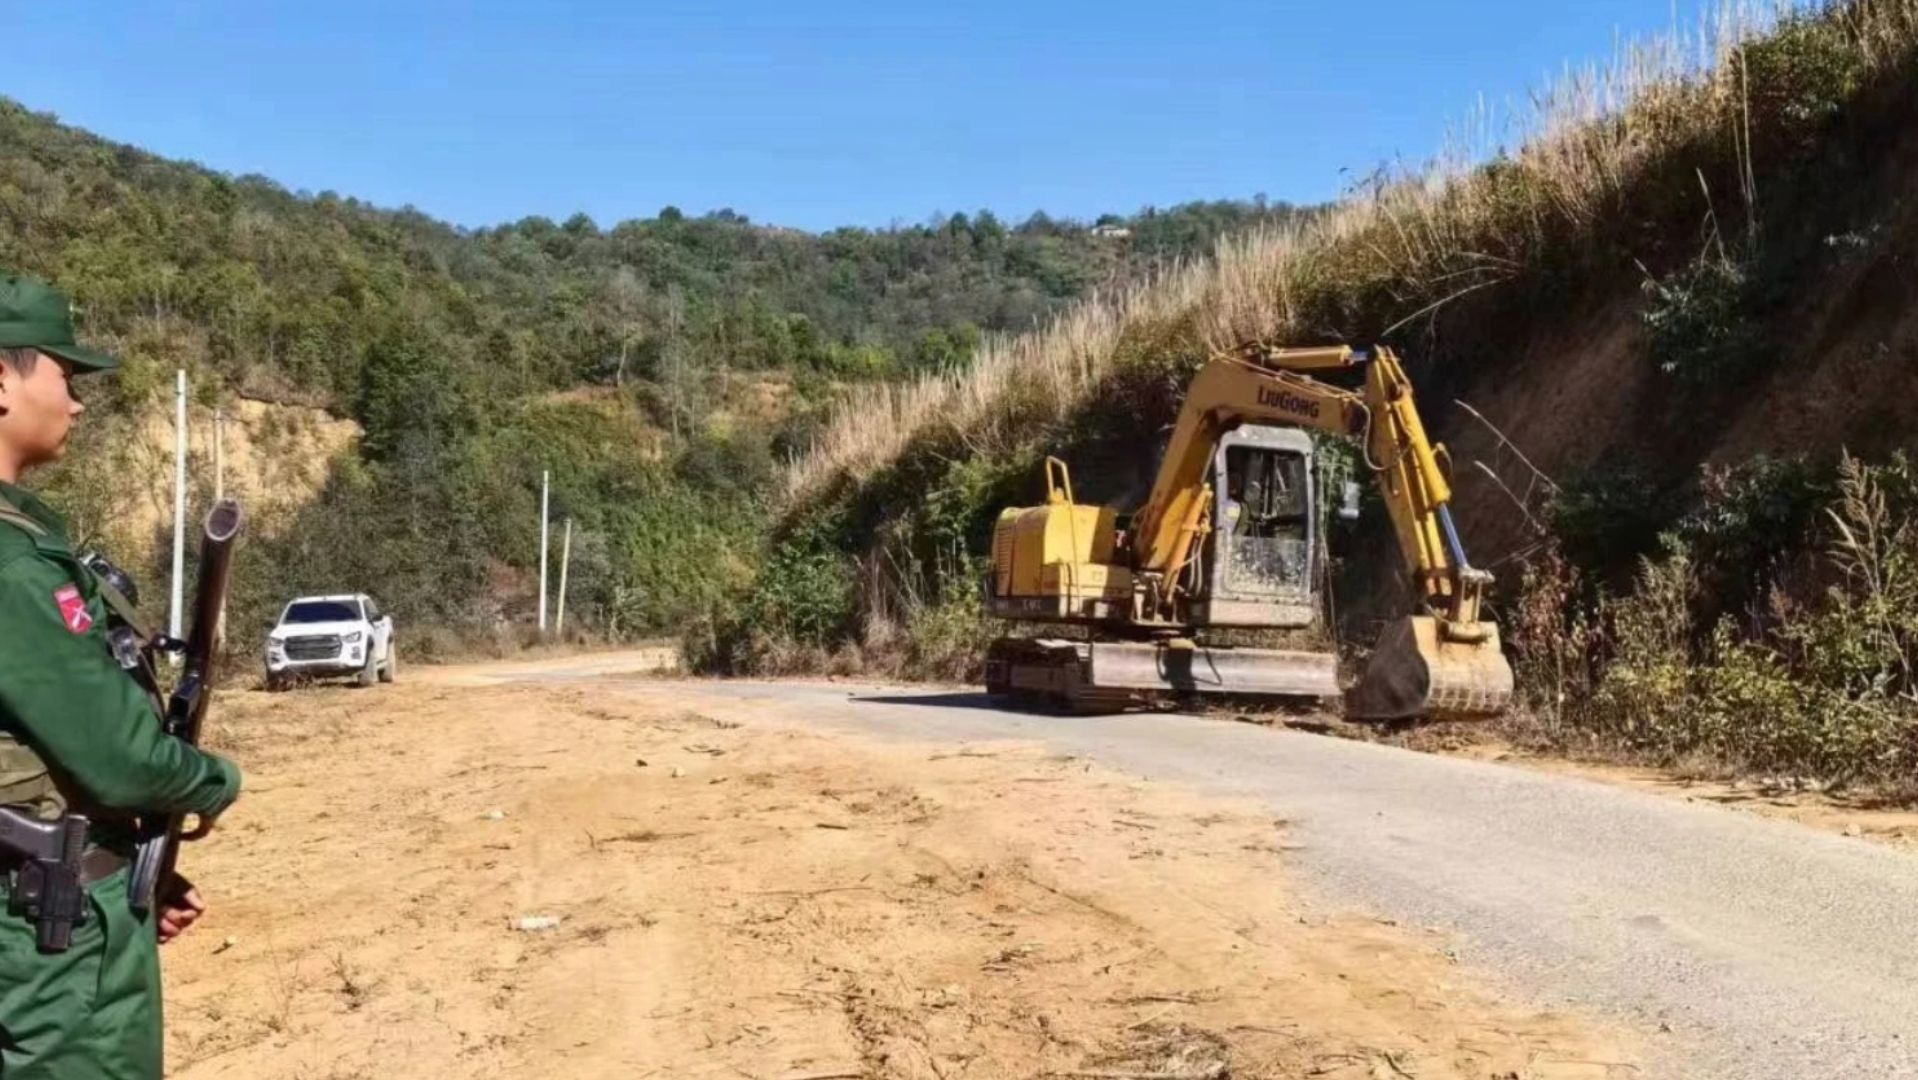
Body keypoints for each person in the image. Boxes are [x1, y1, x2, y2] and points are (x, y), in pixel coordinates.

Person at [0, 273, 243, 1078]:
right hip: (45, 941)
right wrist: (213, 781)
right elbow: (122, 757)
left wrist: (124, 861)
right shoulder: (10, 566)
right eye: (65, 378)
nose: (75, 404)